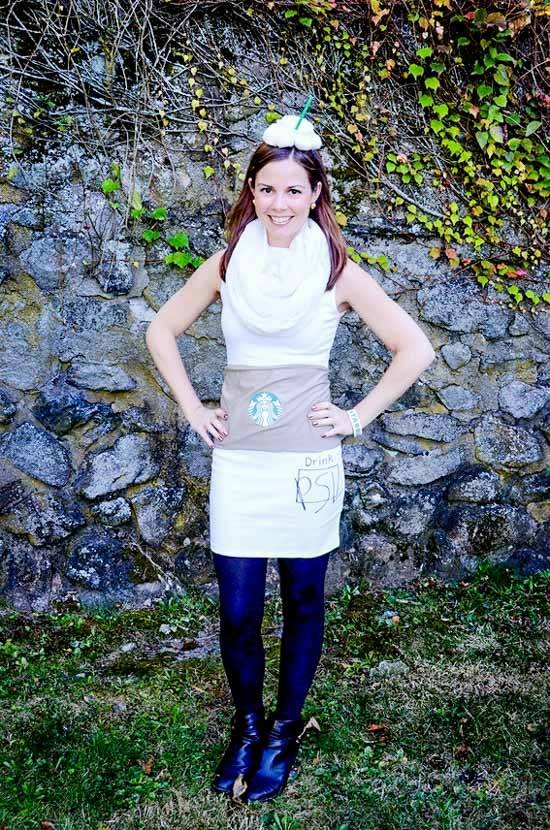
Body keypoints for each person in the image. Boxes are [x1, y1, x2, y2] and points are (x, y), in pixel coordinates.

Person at [145, 111, 436, 803]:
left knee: (304, 601)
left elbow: (415, 348)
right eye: (267, 189)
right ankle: (246, 727)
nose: (280, 204)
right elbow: (162, 329)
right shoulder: (225, 264)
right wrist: (192, 408)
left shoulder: (337, 271)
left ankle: (282, 733)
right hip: (241, 462)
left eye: (293, 191)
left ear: (315, 196)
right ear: (252, 192)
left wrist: (356, 417)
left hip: (308, 464)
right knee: (240, 611)